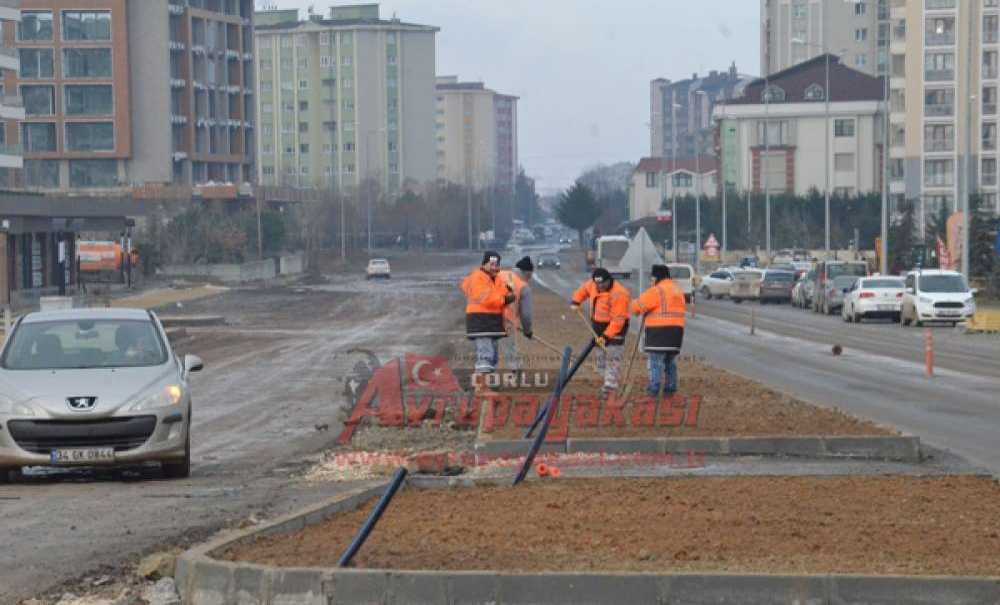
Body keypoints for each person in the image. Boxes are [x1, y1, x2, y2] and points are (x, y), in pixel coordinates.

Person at [571, 268, 631, 394]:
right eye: (597, 284)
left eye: (603, 283)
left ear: (609, 280)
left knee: (612, 356)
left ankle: (610, 386)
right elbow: (583, 290)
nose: (600, 286)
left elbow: (618, 321)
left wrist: (606, 336)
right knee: (600, 359)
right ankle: (607, 379)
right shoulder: (593, 284)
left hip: (616, 329)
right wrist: (576, 301)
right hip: (598, 327)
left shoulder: (620, 294)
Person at [631, 264, 686, 398]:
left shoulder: (657, 290)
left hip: (659, 332)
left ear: (656, 277)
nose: (651, 281)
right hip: (676, 333)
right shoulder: (678, 290)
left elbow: (636, 308)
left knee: (656, 362)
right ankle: (670, 388)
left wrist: (635, 304)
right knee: (670, 362)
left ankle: (654, 388)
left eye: (652, 278)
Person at [461, 251, 515, 378]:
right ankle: (481, 383)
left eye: (497, 265)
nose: (494, 267)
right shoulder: (477, 278)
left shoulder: (497, 279)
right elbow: (486, 298)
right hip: (480, 322)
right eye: (492, 264)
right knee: (485, 356)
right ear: (484, 264)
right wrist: (505, 299)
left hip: (493, 323)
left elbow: (501, 293)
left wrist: (509, 292)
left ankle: (488, 381)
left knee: (493, 357)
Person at [498, 256, 534, 370]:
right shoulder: (523, 286)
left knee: (487, 352)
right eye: (530, 276)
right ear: (527, 273)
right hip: (505, 321)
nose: (530, 279)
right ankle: (516, 372)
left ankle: (484, 376)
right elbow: (526, 315)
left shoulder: (499, 274)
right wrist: (527, 331)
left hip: (483, 317)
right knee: (511, 351)